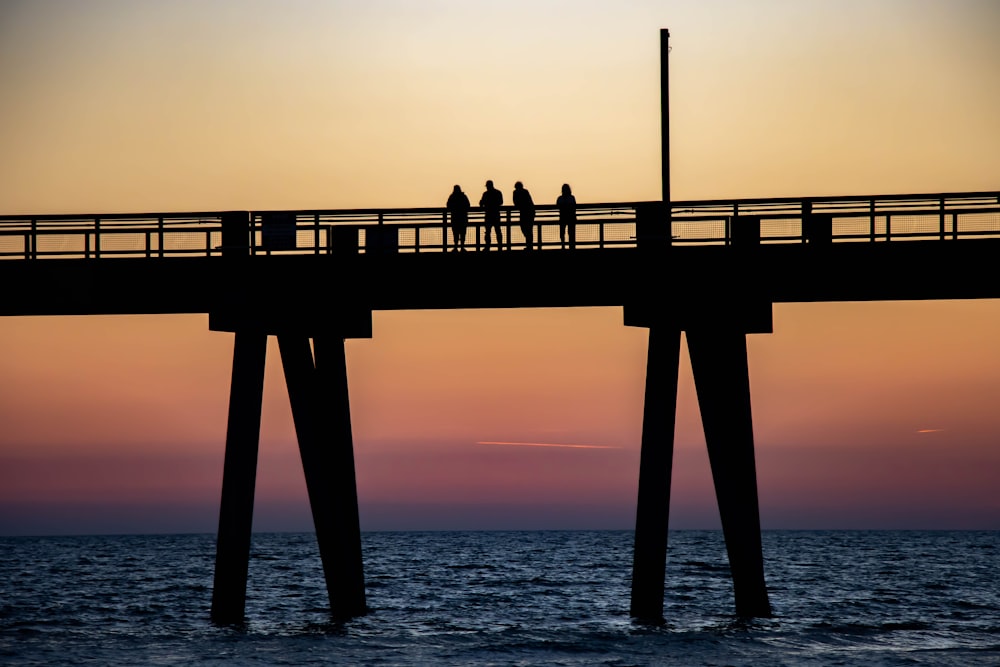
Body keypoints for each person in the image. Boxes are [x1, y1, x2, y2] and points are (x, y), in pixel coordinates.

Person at [479, 180, 504, 250]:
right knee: (498, 231)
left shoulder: (485, 194)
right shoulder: (498, 192)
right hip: (496, 214)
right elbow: (501, 202)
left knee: (488, 232)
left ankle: (487, 246)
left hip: (489, 214)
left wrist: (483, 204)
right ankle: (500, 246)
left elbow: (481, 203)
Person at [446, 184, 471, 251]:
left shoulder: (452, 197)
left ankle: (456, 247)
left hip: (455, 218)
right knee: (463, 233)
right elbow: (468, 205)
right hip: (463, 218)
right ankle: (462, 247)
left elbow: (448, 206)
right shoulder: (463, 196)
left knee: (455, 233)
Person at [512, 181, 535, 250]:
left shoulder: (523, 192)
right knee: (526, 229)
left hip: (527, 212)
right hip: (527, 212)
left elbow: (516, 202)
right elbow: (515, 202)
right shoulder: (521, 192)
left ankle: (529, 245)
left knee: (527, 229)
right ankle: (529, 245)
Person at [556, 183, 577, 250]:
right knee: (571, 233)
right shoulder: (571, 198)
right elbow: (574, 207)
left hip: (563, 217)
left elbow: (557, 206)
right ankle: (572, 246)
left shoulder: (560, 198)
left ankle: (563, 245)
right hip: (571, 217)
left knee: (562, 232)